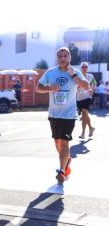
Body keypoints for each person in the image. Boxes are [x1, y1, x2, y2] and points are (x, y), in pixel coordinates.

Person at [36, 47, 89, 183]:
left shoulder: (75, 72)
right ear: (57, 58)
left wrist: (74, 76)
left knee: (65, 143)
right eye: (60, 56)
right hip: (54, 114)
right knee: (57, 142)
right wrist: (49, 88)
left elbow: (86, 87)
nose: (63, 58)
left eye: (65, 56)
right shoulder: (51, 72)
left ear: (70, 58)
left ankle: (61, 171)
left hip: (69, 114)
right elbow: (38, 87)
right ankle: (67, 161)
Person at [77, 62, 96, 139]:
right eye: (83, 67)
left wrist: (92, 90)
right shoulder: (77, 76)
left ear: (87, 68)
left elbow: (94, 83)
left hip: (87, 97)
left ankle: (83, 133)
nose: (84, 68)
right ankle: (91, 128)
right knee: (85, 115)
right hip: (79, 98)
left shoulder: (90, 76)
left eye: (86, 67)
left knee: (84, 113)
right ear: (81, 68)